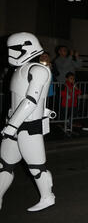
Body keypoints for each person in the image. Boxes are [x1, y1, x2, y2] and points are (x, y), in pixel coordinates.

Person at [0, 32, 55, 212]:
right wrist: (11, 124)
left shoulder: (37, 70)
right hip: (14, 124)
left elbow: (32, 100)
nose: (11, 53)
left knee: (37, 168)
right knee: (4, 165)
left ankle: (48, 197)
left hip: (29, 126)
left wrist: (12, 125)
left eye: (15, 49)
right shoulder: (20, 69)